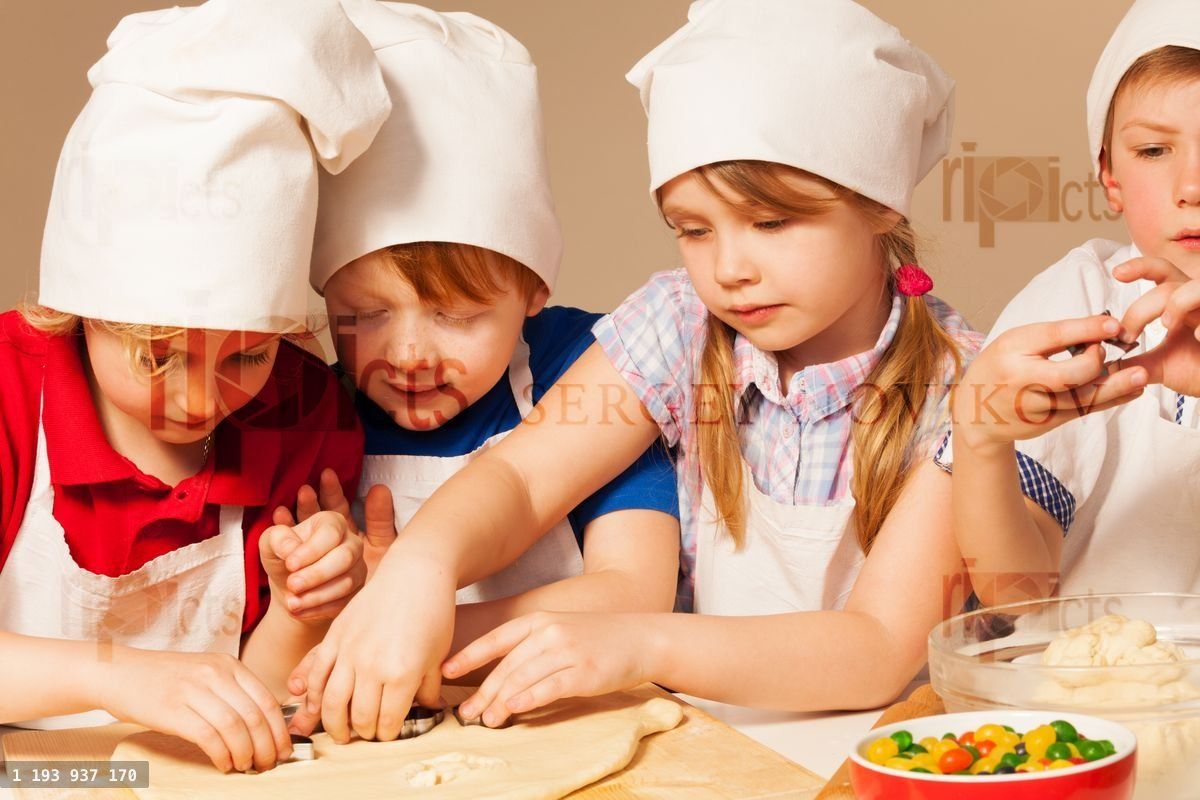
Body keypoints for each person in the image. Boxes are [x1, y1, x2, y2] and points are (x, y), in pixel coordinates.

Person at [290, 0, 981, 739]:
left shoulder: (963, 384)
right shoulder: (680, 323)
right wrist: (421, 568)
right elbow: (522, 480)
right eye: (693, 229)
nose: (730, 268)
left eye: (771, 222)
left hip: (884, 752)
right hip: (706, 740)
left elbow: (877, 649)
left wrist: (639, 642)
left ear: (881, 205)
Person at [0, 0, 390, 773]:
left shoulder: (303, 413)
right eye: (157, 357)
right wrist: (115, 676)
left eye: (247, 357)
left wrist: (300, 609)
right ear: (81, 308)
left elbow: (265, 701)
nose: (200, 402)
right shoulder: (12, 386)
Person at [943, 0, 1200, 604]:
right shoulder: (1082, 302)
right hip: (1093, 661)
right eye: (1153, 150)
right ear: (1109, 176)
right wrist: (982, 442)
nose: (1192, 187)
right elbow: (1018, 593)